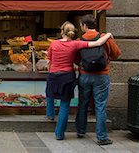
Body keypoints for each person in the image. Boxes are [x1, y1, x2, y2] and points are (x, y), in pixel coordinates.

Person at [45, 21, 113, 141]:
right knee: (64, 105)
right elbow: (97, 43)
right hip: (67, 76)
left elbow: (48, 61)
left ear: (62, 32)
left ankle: (50, 114)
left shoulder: (53, 44)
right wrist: (108, 34)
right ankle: (59, 134)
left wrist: (51, 69)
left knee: (49, 94)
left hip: (54, 75)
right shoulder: (76, 44)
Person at [75, 14, 121, 145]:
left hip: (84, 75)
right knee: (100, 106)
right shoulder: (104, 38)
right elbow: (117, 53)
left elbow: (76, 59)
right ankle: (101, 137)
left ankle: (80, 131)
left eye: (81, 25)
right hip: (101, 75)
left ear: (84, 26)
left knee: (83, 104)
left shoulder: (80, 40)